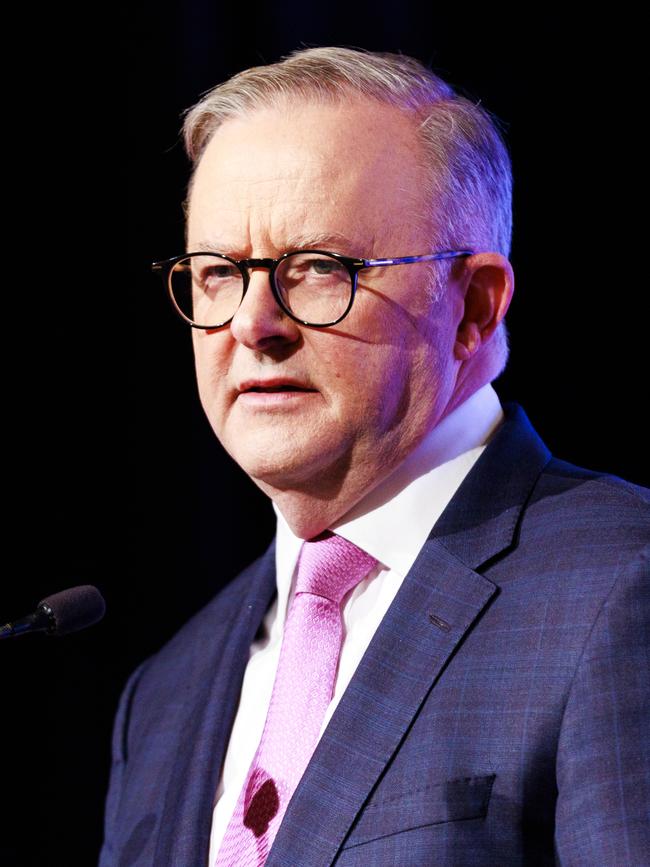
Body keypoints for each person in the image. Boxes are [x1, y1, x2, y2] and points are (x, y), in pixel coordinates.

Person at [100, 47, 649, 866]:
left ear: (473, 306)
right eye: (218, 272)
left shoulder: (621, 582)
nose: (254, 323)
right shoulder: (164, 695)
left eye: (319, 268)